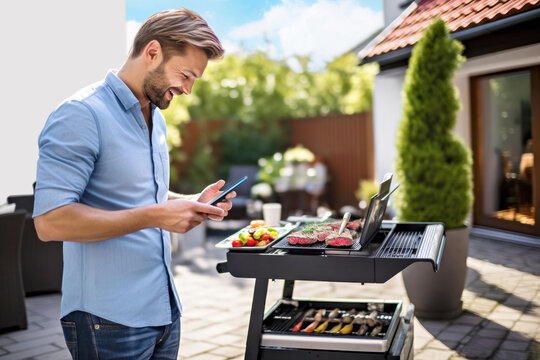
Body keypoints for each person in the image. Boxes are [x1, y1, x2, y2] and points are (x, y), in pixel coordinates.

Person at [33, 9, 231, 359]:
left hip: (164, 311)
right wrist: (157, 216)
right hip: (107, 320)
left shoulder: (155, 116)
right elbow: (50, 222)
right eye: (185, 75)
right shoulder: (81, 114)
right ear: (152, 52)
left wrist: (188, 202)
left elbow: (138, 193)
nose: (187, 89)